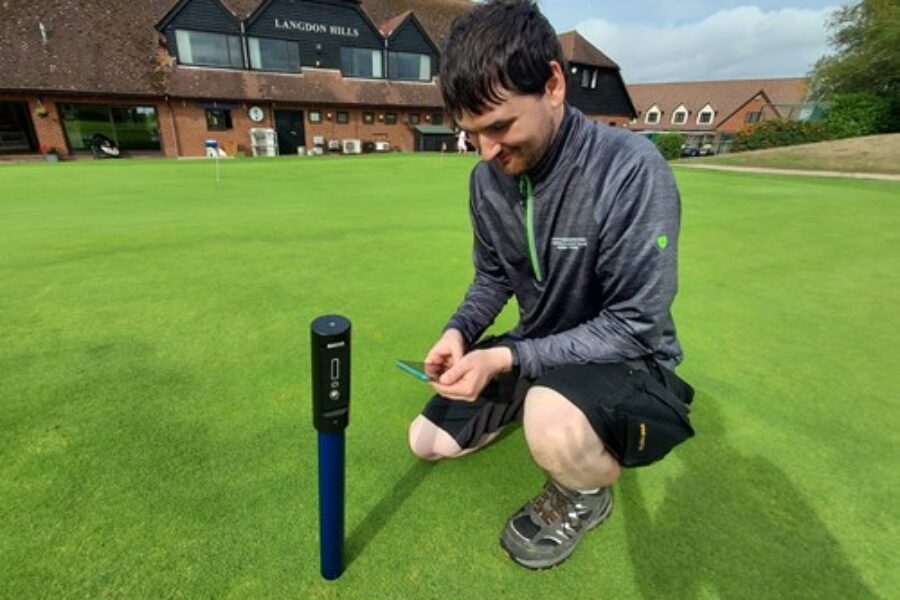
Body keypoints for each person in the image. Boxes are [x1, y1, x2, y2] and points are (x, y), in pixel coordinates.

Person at [407, 0, 695, 570]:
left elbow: (632, 325)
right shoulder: (486, 182)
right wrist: (458, 331)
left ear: (554, 84)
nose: (486, 151)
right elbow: (493, 277)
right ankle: (540, 402)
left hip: (630, 360)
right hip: (539, 352)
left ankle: (584, 494)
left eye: (498, 126)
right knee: (427, 441)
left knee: (550, 418)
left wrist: (510, 358)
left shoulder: (630, 169)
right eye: (471, 134)